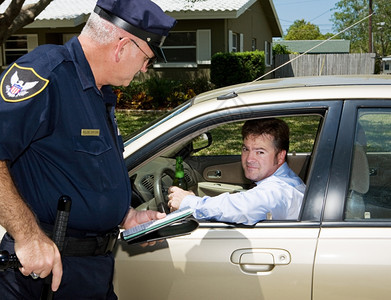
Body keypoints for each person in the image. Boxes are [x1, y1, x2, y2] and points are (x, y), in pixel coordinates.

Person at [0, 0, 176, 299]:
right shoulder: (46, 75)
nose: (146, 69)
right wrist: (28, 238)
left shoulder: (98, 92)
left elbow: (80, 173)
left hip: (92, 270)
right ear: (122, 46)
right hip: (45, 274)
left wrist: (125, 216)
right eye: (147, 58)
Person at [168, 118, 306, 225]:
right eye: (246, 149)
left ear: (280, 156)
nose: (249, 159)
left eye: (260, 152)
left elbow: (245, 208)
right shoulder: (285, 179)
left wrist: (188, 202)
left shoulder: (278, 191)